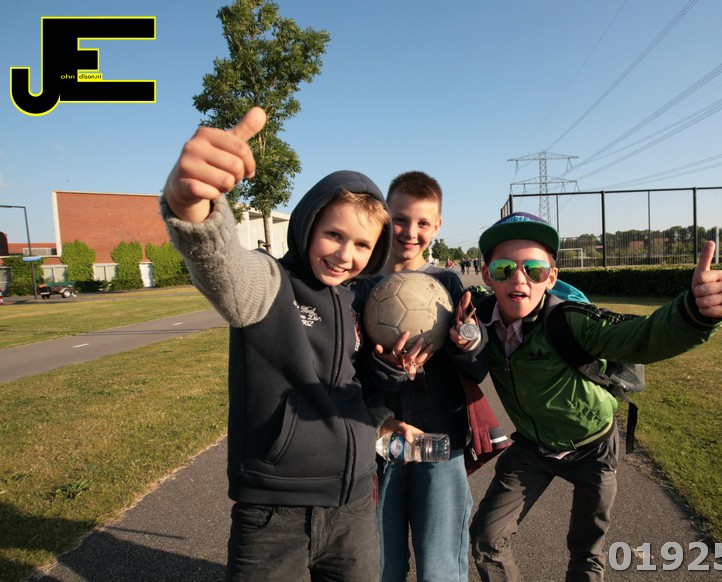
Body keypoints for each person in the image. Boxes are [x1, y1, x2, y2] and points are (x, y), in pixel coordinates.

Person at [160, 106, 405, 581]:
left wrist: (385, 382)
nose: (344, 254)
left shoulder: (357, 302)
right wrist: (191, 206)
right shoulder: (270, 284)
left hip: (355, 506)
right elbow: (222, 265)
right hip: (274, 515)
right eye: (334, 234)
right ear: (308, 225)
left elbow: (353, 397)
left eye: (361, 245)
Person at [468, 212, 722, 582]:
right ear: (486, 275)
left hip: (593, 447)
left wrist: (694, 313)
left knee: (586, 551)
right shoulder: (476, 320)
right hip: (532, 448)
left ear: (551, 278)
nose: (519, 278)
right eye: (504, 269)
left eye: (534, 269)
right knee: (486, 538)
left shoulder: (570, 320)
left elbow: (638, 336)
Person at [353, 171, 490, 582]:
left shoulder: (447, 283)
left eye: (423, 223)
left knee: (440, 565)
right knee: (381, 565)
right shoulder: (359, 286)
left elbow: (477, 366)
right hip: (378, 445)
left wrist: (468, 343)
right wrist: (385, 374)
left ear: (437, 226)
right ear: (384, 216)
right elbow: (345, 372)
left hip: (439, 444)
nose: (410, 232)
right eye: (400, 219)